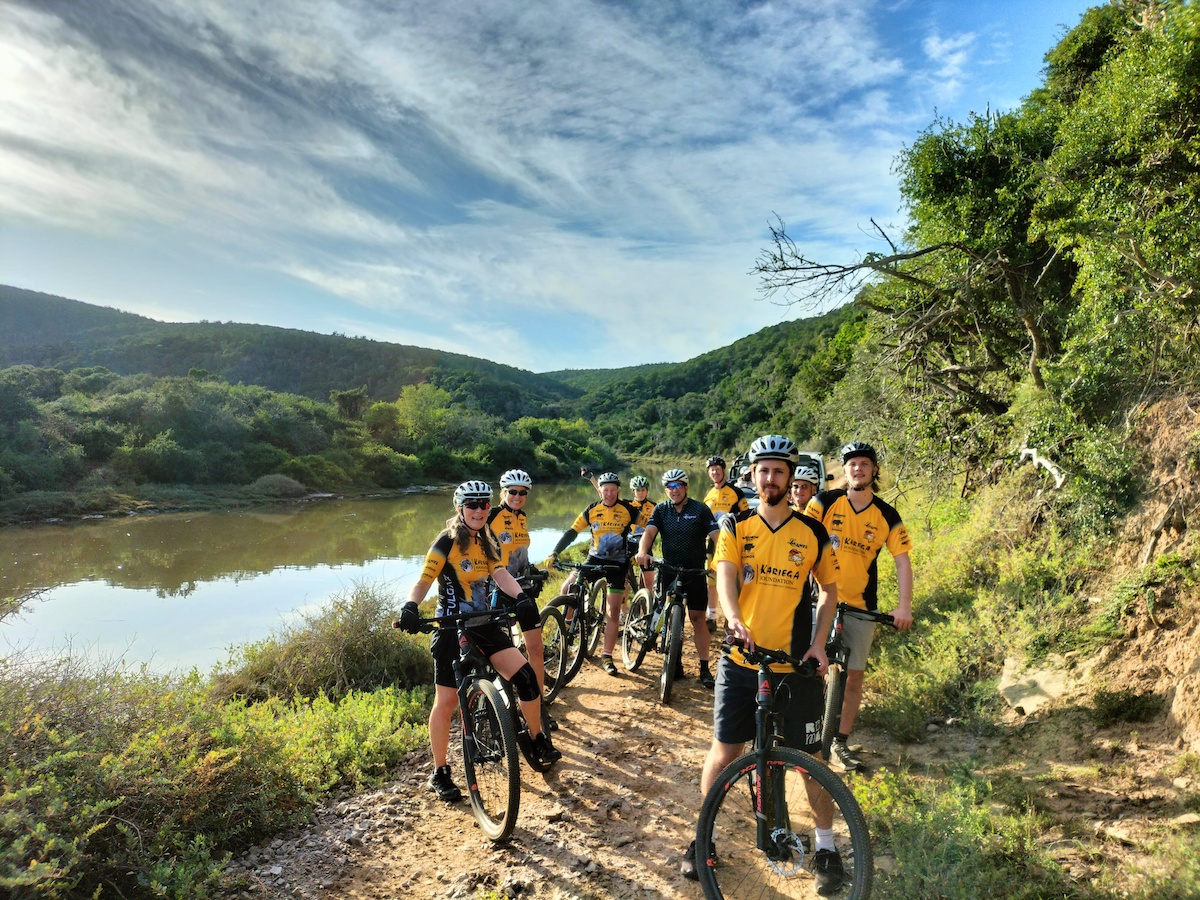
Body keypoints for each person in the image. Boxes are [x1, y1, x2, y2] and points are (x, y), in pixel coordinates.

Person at [682, 435, 843, 891]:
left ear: (791, 477)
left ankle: (827, 848)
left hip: (796, 663)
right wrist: (733, 618)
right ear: (751, 476)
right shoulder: (736, 525)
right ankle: (702, 839)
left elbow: (830, 591)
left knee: (811, 757)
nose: (769, 478)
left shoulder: (811, 532)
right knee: (725, 750)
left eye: (778, 470)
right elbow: (727, 577)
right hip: (741, 659)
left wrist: (819, 644)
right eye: (762, 470)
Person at [398, 480, 561, 802]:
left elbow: (500, 574)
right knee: (445, 702)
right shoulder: (445, 543)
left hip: (484, 625)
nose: (479, 510)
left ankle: (536, 736)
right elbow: (424, 581)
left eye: (484, 504)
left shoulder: (487, 543)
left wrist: (521, 597)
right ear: (460, 508)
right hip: (450, 627)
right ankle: (440, 772)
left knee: (526, 678)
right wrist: (410, 607)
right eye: (472, 505)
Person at [804, 441, 914, 773]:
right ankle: (799, 728)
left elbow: (903, 562)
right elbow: (799, 536)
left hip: (860, 605)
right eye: (852, 464)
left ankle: (839, 740)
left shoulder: (887, 515)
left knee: (854, 677)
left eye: (865, 464)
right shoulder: (824, 501)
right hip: (817, 599)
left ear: (874, 470)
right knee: (806, 666)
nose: (858, 469)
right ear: (844, 469)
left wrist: (904, 606)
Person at [545, 472, 649, 676]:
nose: (609, 493)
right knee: (567, 587)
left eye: (613, 490)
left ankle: (607, 656)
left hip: (617, 565)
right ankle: (567, 628)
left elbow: (650, 527)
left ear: (618, 491)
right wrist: (555, 551)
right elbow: (572, 532)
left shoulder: (628, 509)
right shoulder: (592, 510)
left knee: (613, 611)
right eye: (605, 490)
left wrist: (641, 549)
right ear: (599, 490)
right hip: (593, 560)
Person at [635, 468, 719, 687]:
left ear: (686, 487)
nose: (674, 490)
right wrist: (643, 551)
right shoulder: (661, 510)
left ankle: (704, 668)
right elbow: (649, 533)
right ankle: (675, 662)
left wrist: (722, 561)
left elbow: (716, 536)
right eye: (670, 487)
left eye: (678, 486)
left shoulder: (700, 509)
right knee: (671, 615)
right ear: (666, 490)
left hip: (694, 572)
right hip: (670, 570)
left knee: (697, 619)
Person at [487, 469, 547, 698]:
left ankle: (539, 701)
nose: (517, 496)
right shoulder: (490, 515)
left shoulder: (522, 518)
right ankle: (503, 701)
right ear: (503, 492)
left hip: (523, 589)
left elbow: (519, 553)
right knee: (500, 653)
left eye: (523, 492)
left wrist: (531, 570)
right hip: (498, 590)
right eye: (512, 491)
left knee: (536, 649)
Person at [702, 455, 750, 631]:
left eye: (717, 469)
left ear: (724, 470)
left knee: (734, 581)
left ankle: (732, 618)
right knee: (711, 581)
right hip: (713, 544)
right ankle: (712, 616)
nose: (715, 472)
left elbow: (747, 516)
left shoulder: (736, 492)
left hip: (732, 543)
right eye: (711, 469)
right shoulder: (709, 495)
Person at [628, 475, 656, 592]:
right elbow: (604, 496)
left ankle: (650, 606)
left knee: (649, 582)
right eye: (638, 490)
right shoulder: (627, 505)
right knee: (624, 581)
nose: (640, 493)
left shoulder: (654, 506)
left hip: (645, 546)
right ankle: (623, 609)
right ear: (633, 491)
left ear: (647, 491)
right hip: (629, 545)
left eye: (643, 490)